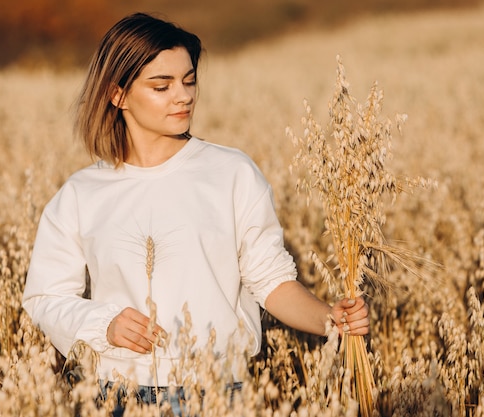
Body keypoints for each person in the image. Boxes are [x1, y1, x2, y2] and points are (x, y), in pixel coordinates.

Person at [22, 12, 369, 415]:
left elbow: (271, 281)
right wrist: (105, 324)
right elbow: (45, 297)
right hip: (120, 396)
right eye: (161, 85)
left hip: (219, 393)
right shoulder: (82, 194)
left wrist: (330, 317)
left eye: (189, 81)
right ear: (117, 94)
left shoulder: (232, 173)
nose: (183, 96)